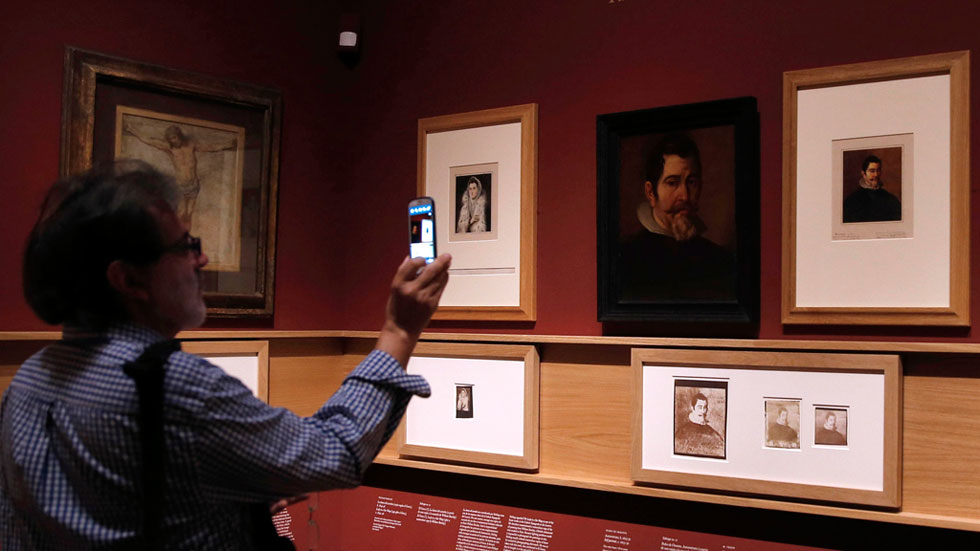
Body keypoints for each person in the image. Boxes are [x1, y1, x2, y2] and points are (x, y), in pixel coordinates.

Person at [0, 160, 452, 549]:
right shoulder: (175, 387)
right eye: (185, 247)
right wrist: (399, 330)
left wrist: (231, 500)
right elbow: (335, 452)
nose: (201, 260)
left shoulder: (29, 381)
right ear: (129, 280)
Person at [618, 133, 736, 302]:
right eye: (672, 183)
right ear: (650, 192)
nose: (685, 196)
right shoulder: (626, 259)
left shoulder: (721, 261)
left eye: (691, 182)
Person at [124, 122, 237, 227]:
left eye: (175, 137)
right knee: (180, 214)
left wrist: (227, 145)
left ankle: (187, 238)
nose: (174, 141)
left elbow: (209, 147)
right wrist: (131, 129)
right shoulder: (170, 149)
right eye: (171, 139)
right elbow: (150, 141)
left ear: (179, 136)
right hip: (181, 186)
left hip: (194, 185)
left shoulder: (191, 146)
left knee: (189, 214)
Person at [842, 154, 901, 223]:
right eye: (872, 171)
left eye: (878, 170)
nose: (876, 175)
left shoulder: (890, 199)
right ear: (863, 174)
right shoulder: (851, 200)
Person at [674, 392, 725, 458]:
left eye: (705, 407)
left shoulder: (711, 432)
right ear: (693, 408)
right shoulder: (682, 431)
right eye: (700, 407)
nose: (703, 411)